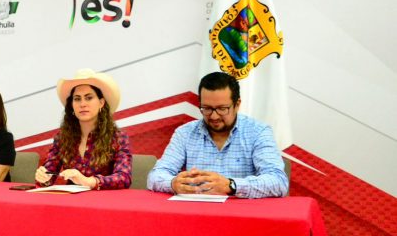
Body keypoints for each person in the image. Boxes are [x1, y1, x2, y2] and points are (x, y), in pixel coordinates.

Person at [147, 71, 288, 198]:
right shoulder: (185, 133)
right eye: (207, 108)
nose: (214, 116)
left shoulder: (258, 132)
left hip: (243, 213)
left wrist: (231, 186)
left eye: (222, 109)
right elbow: (155, 176)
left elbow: (278, 181)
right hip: (195, 212)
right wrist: (173, 183)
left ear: (237, 104)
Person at [35, 68, 132, 190]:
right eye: (77, 99)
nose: (82, 104)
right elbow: (49, 174)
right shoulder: (62, 137)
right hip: (71, 199)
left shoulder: (118, 137)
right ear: (72, 105)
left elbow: (124, 177)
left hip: (104, 199)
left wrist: (89, 182)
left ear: (101, 103)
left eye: (89, 98)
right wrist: (43, 177)